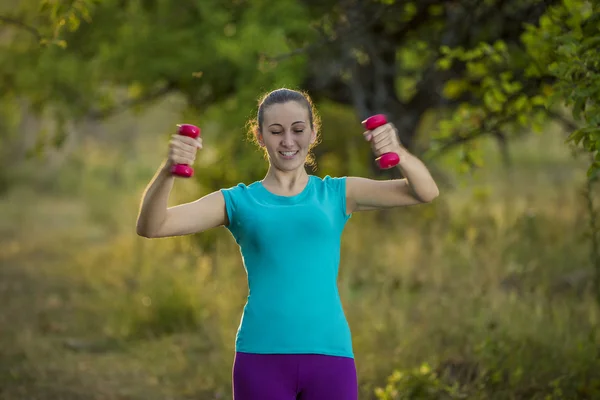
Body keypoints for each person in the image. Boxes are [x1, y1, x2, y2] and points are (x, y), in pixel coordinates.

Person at [136, 88, 439, 400]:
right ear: (260, 136)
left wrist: (398, 151)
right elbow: (152, 226)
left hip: (330, 354)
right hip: (261, 356)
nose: (288, 141)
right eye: (276, 131)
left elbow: (424, 192)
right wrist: (168, 169)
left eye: (298, 130)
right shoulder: (239, 201)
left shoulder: (337, 194)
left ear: (313, 132)